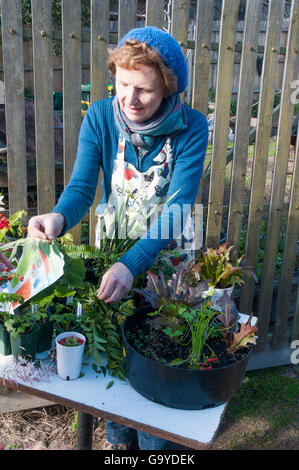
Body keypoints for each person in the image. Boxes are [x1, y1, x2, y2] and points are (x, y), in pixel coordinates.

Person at [28, 26, 208, 450]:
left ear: (167, 87)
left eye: (144, 89)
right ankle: (119, 445)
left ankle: (156, 447)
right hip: (113, 255)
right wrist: (57, 217)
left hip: (167, 265)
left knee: (156, 359)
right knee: (114, 360)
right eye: (123, 84)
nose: (130, 99)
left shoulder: (192, 127)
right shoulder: (100, 117)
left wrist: (134, 264)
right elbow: (80, 189)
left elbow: (177, 209)